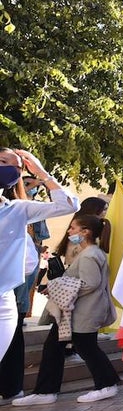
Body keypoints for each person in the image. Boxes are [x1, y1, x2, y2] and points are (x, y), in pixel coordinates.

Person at [14, 214, 119, 405]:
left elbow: (91, 282)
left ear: (85, 232)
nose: (69, 232)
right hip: (75, 312)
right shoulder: (89, 252)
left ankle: (106, 384)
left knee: (86, 348)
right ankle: (46, 391)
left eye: (73, 228)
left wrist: (60, 286)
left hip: (84, 312)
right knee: (54, 347)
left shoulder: (89, 255)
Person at [0, 149, 78, 370]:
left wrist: (42, 173)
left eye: (16, 168)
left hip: (3, 302)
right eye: (3, 161)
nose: (9, 169)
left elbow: (69, 206)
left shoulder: (17, 209)